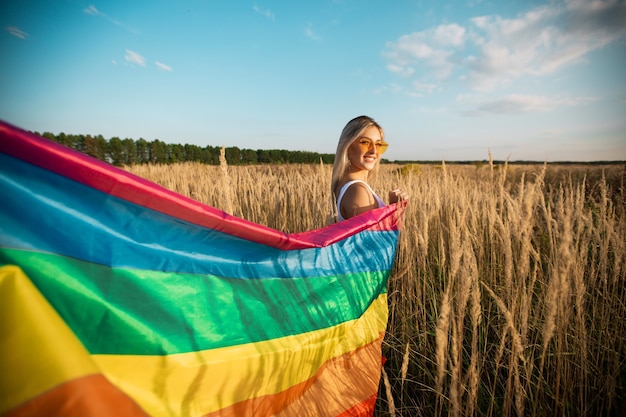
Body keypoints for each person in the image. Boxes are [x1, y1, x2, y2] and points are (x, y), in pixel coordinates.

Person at [330, 115, 408, 222]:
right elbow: (372, 239)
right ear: (347, 146)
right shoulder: (358, 191)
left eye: (379, 144)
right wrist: (395, 210)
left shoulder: (345, 184)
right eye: (365, 142)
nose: (374, 151)